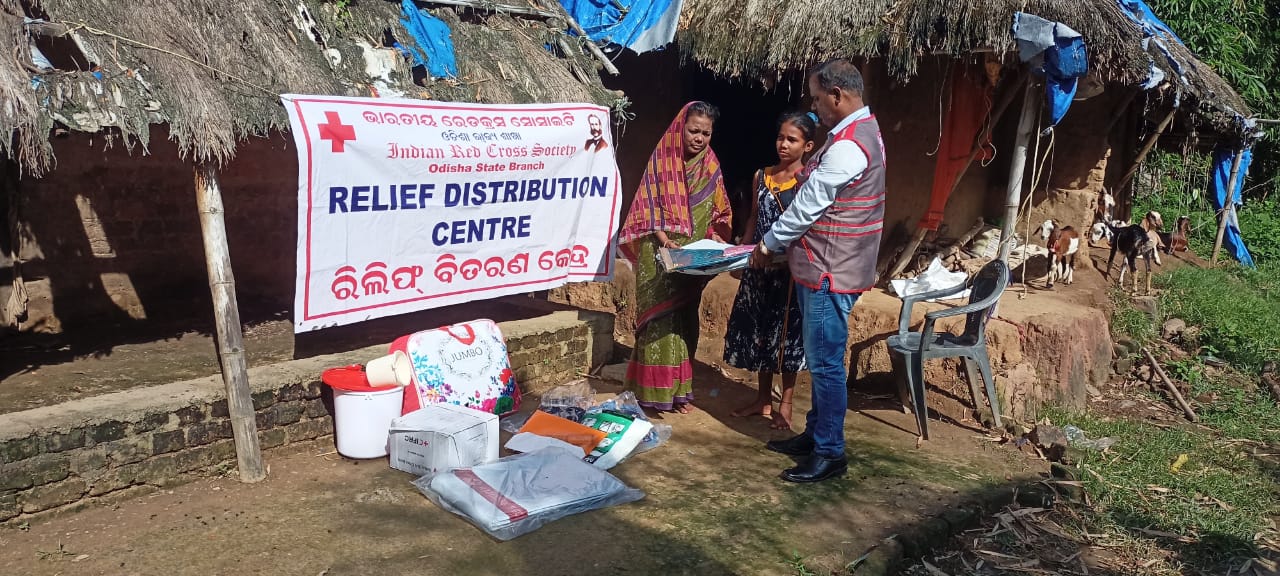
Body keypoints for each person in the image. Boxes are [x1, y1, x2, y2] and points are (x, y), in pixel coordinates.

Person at [749, 58, 885, 483]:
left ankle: (830, 452)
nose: (814, 106)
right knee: (822, 359)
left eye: (816, 97)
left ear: (837, 96)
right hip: (832, 264)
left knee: (825, 363)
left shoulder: (848, 146)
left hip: (830, 270)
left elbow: (809, 205)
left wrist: (768, 244)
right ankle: (815, 434)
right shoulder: (861, 132)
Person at [618, 101, 733, 413]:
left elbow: (719, 209)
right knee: (658, 321)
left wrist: (717, 236)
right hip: (658, 253)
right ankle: (649, 394)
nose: (699, 138)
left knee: (684, 321)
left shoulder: (710, 164)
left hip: (691, 258)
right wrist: (665, 240)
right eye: (693, 131)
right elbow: (647, 206)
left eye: (706, 133)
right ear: (681, 128)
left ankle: (679, 392)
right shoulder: (662, 160)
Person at [725, 112, 818, 430]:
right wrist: (742, 254)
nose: (783, 144)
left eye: (792, 139)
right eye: (780, 137)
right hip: (758, 268)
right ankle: (762, 398)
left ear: (808, 145)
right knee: (760, 334)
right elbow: (752, 218)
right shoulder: (761, 176)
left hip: (790, 274)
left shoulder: (808, 182)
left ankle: (786, 404)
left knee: (787, 337)